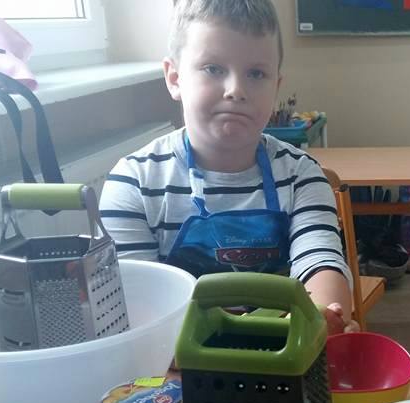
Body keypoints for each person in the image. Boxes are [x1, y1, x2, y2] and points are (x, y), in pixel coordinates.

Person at [99, 0, 356, 334]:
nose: (236, 90)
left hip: (283, 354)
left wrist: (322, 318)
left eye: (256, 74)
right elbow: (140, 307)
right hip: (178, 358)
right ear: (175, 78)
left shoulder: (301, 176)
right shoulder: (133, 183)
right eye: (213, 69)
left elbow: (320, 263)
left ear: (276, 87)